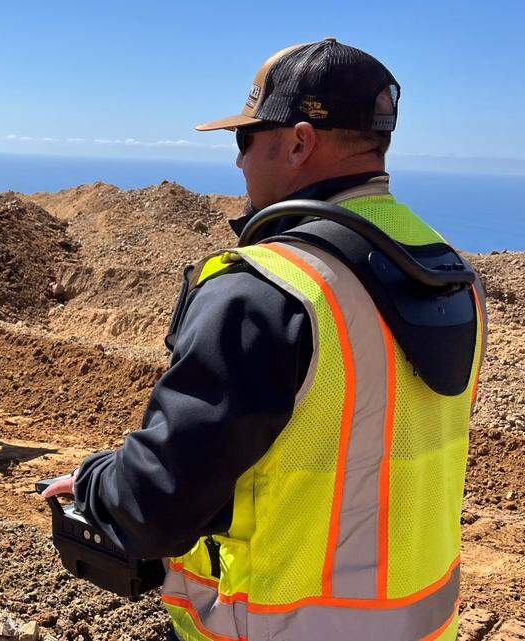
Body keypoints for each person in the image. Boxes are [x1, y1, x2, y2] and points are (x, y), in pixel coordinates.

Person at [42, 38, 486, 641]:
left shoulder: (266, 291)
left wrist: (96, 482)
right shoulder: (447, 276)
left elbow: (158, 506)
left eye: (244, 140)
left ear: (299, 142)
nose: (238, 163)